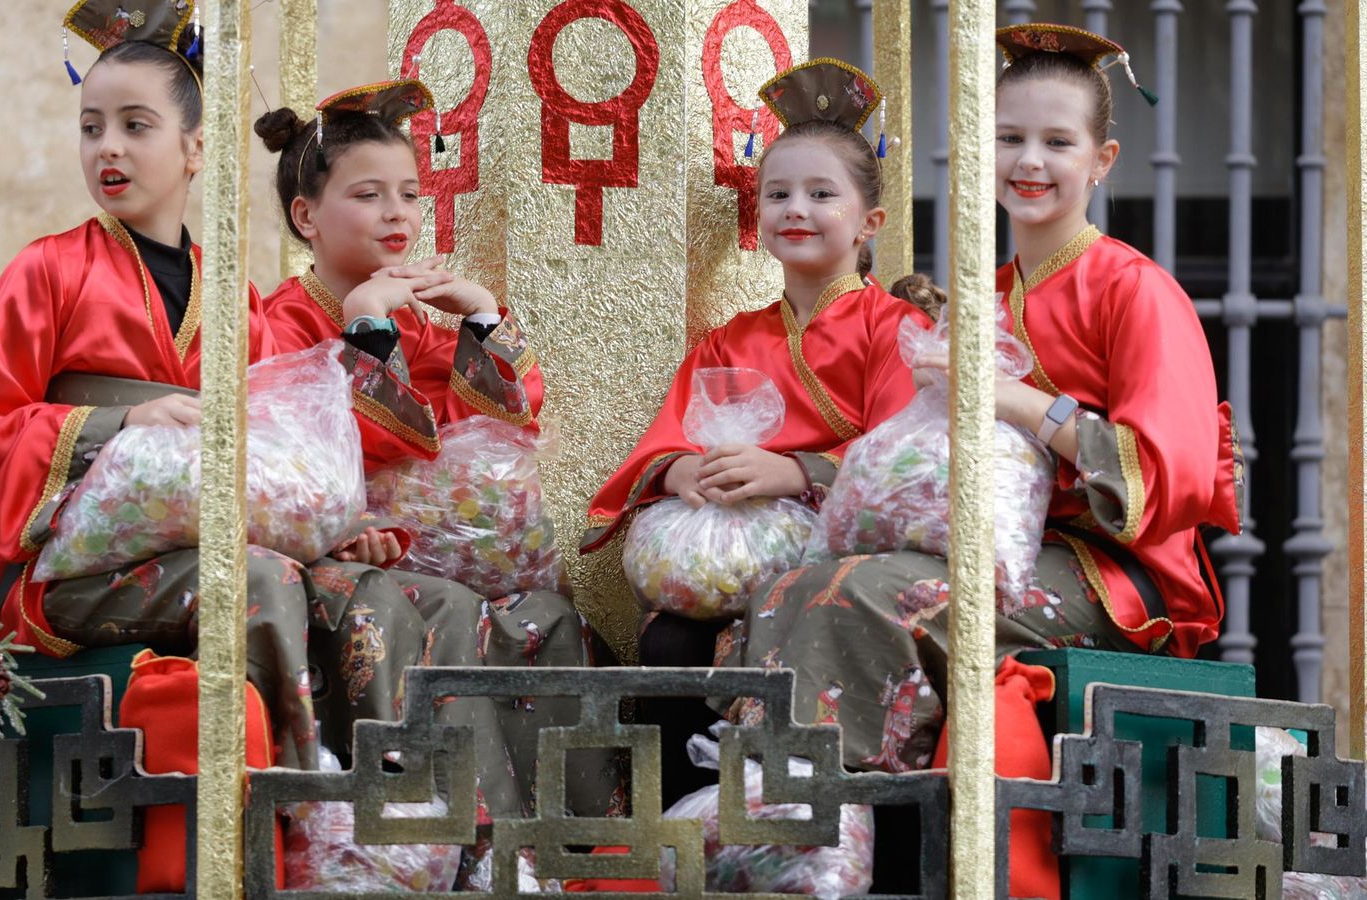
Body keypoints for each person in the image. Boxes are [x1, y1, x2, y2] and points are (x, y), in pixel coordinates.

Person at [719, 26, 1243, 897]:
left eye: (1056, 142)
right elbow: (902, 454)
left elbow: (1168, 475)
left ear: (1103, 160)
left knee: (856, 593)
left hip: (1113, 572)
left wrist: (1015, 402)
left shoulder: (1135, 290)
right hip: (986, 547)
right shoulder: (986, 296)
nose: (1029, 161)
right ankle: (796, 837)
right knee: (789, 589)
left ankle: (815, 846)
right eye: (1008, 138)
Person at [0, 2, 428, 889]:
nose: (109, 150)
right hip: (68, 574)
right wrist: (116, 423)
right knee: (259, 578)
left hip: (207, 538)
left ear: (197, 149)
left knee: (360, 593)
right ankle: (297, 811)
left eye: (137, 126)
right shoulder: (45, 271)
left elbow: (278, 444)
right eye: (91, 128)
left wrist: (335, 526)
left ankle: (396, 808)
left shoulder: (237, 298)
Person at [254, 80, 618, 823]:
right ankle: (475, 838)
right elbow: (356, 443)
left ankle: (579, 837)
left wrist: (482, 314)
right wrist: (364, 327)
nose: (397, 214)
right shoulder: (278, 325)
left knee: (548, 613)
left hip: (430, 555)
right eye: (368, 194)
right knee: (451, 608)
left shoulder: (419, 320)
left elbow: (501, 419)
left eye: (411, 194)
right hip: (330, 558)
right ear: (306, 216)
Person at [581, 58, 938, 807]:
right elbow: (666, 443)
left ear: (871, 221)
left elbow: (904, 465)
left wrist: (797, 473)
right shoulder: (729, 341)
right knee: (670, 637)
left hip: (842, 553)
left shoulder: (895, 329)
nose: (795, 209)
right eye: (777, 194)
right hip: (734, 555)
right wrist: (684, 475)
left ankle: (806, 811)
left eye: (820, 194)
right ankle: (687, 821)